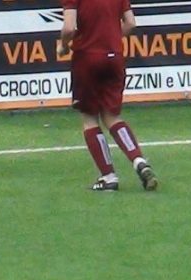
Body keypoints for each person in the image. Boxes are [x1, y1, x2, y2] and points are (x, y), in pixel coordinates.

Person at [61, 0, 157, 191]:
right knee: (112, 116)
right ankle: (138, 160)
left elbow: (69, 28)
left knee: (89, 118)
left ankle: (108, 176)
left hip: (87, 57)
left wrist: (63, 45)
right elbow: (131, 23)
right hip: (114, 56)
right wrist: (110, 36)